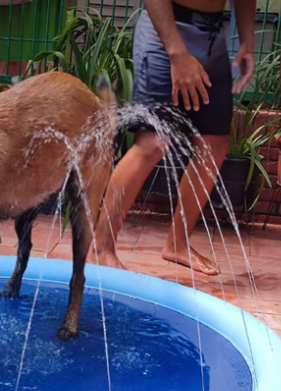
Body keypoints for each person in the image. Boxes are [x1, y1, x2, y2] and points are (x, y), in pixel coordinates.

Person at [92, 0, 256, 275]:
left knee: (214, 145)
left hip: (211, 37)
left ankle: (177, 244)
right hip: (165, 33)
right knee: (153, 143)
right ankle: (101, 248)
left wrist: (247, 42)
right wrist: (177, 54)